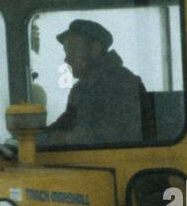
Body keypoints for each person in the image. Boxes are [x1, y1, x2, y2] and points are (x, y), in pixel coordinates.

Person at [38, 19, 155, 147]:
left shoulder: (123, 83)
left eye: (72, 50)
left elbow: (117, 136)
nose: (66, 59)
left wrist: (68, 139)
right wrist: (36, 138)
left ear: (95, 49)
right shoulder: (81, 88)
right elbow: (66, 122)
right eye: (67, 52)